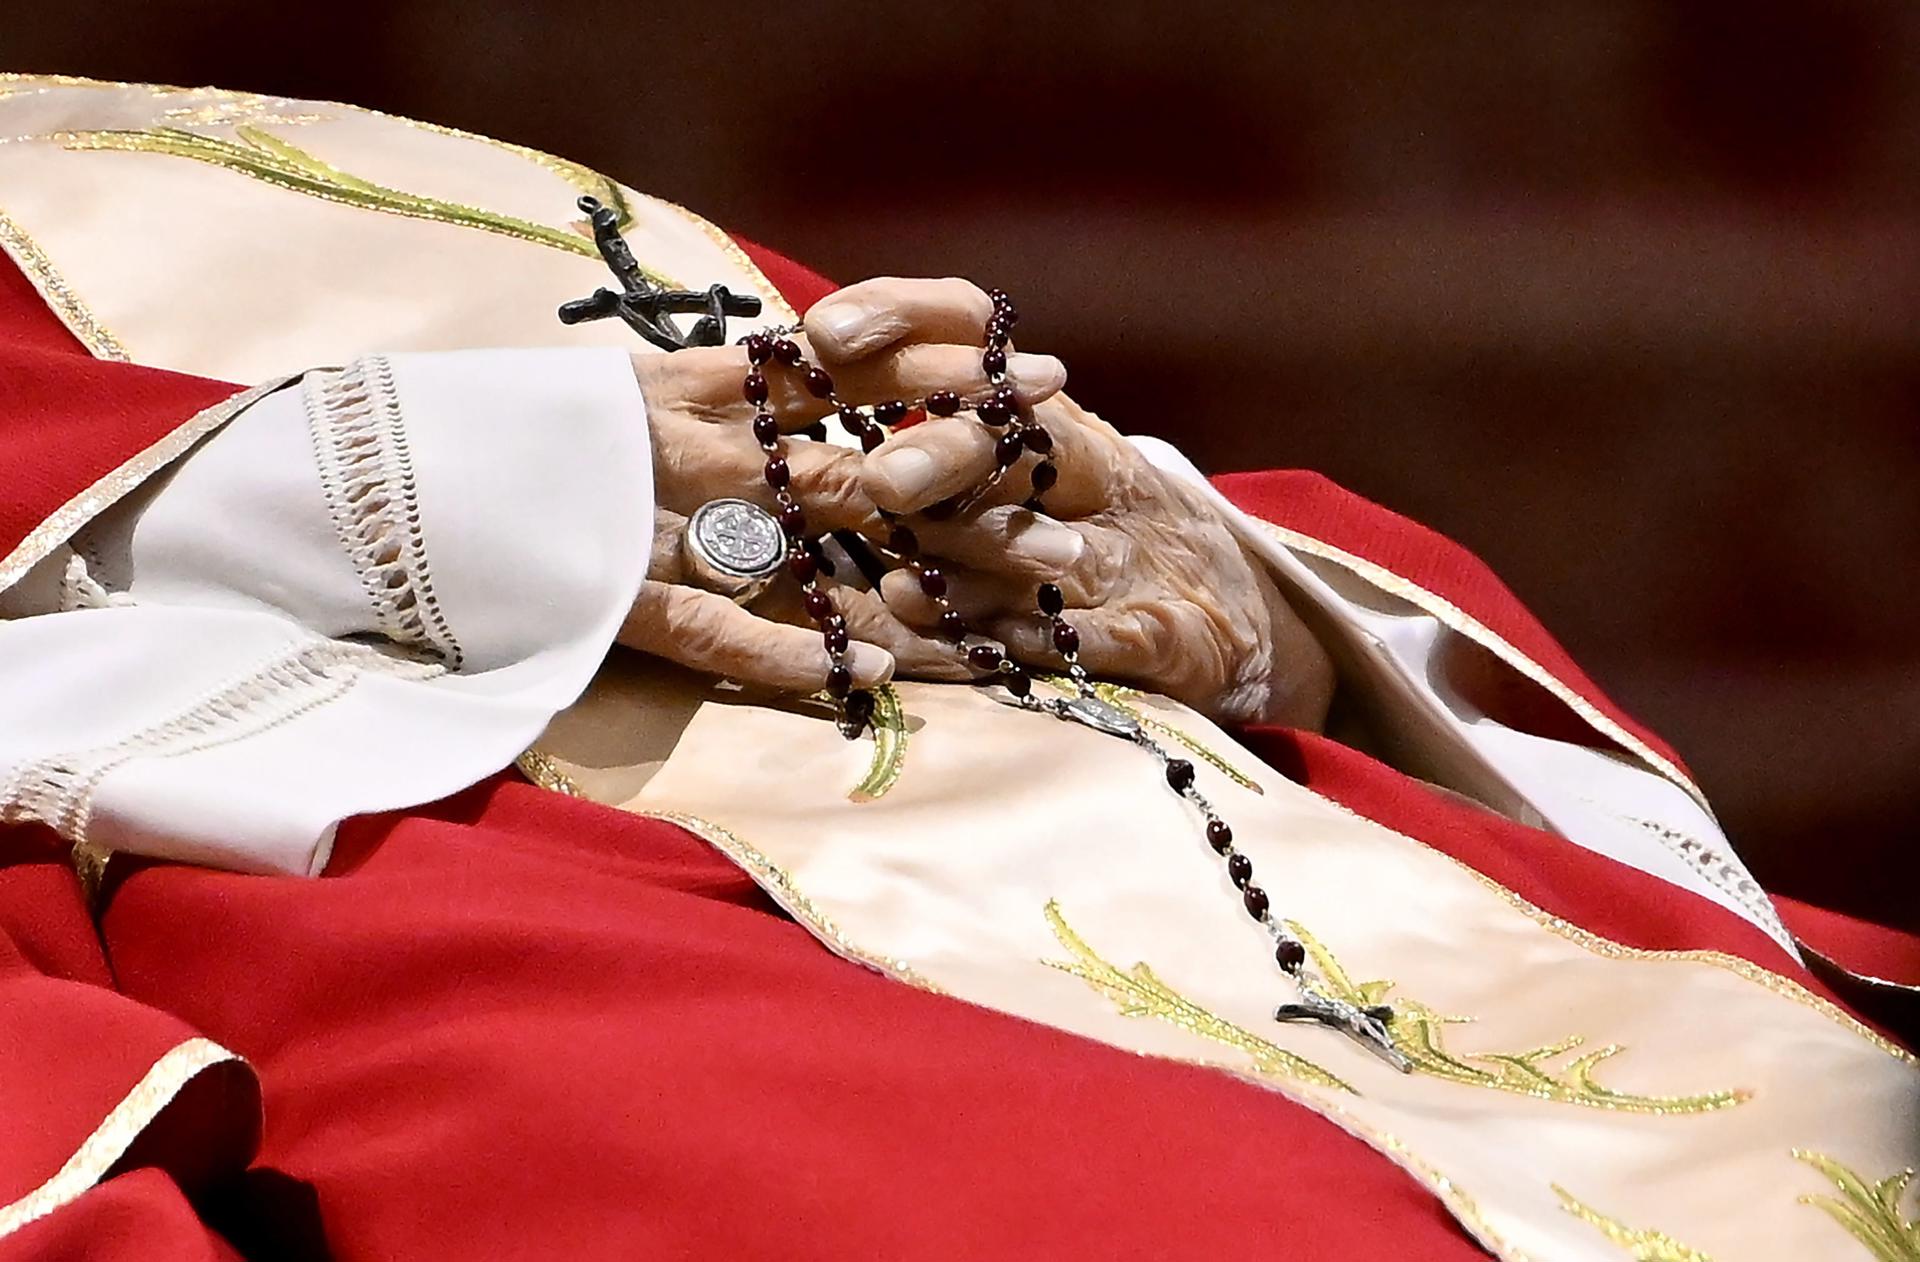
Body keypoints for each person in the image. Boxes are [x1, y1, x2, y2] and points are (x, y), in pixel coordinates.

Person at [0, 74, 1914, 1261]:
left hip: (1390, 954)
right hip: (618, 1037)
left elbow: (909, 460)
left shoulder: (244, 166)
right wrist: (358, 504)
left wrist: (1263, 617)